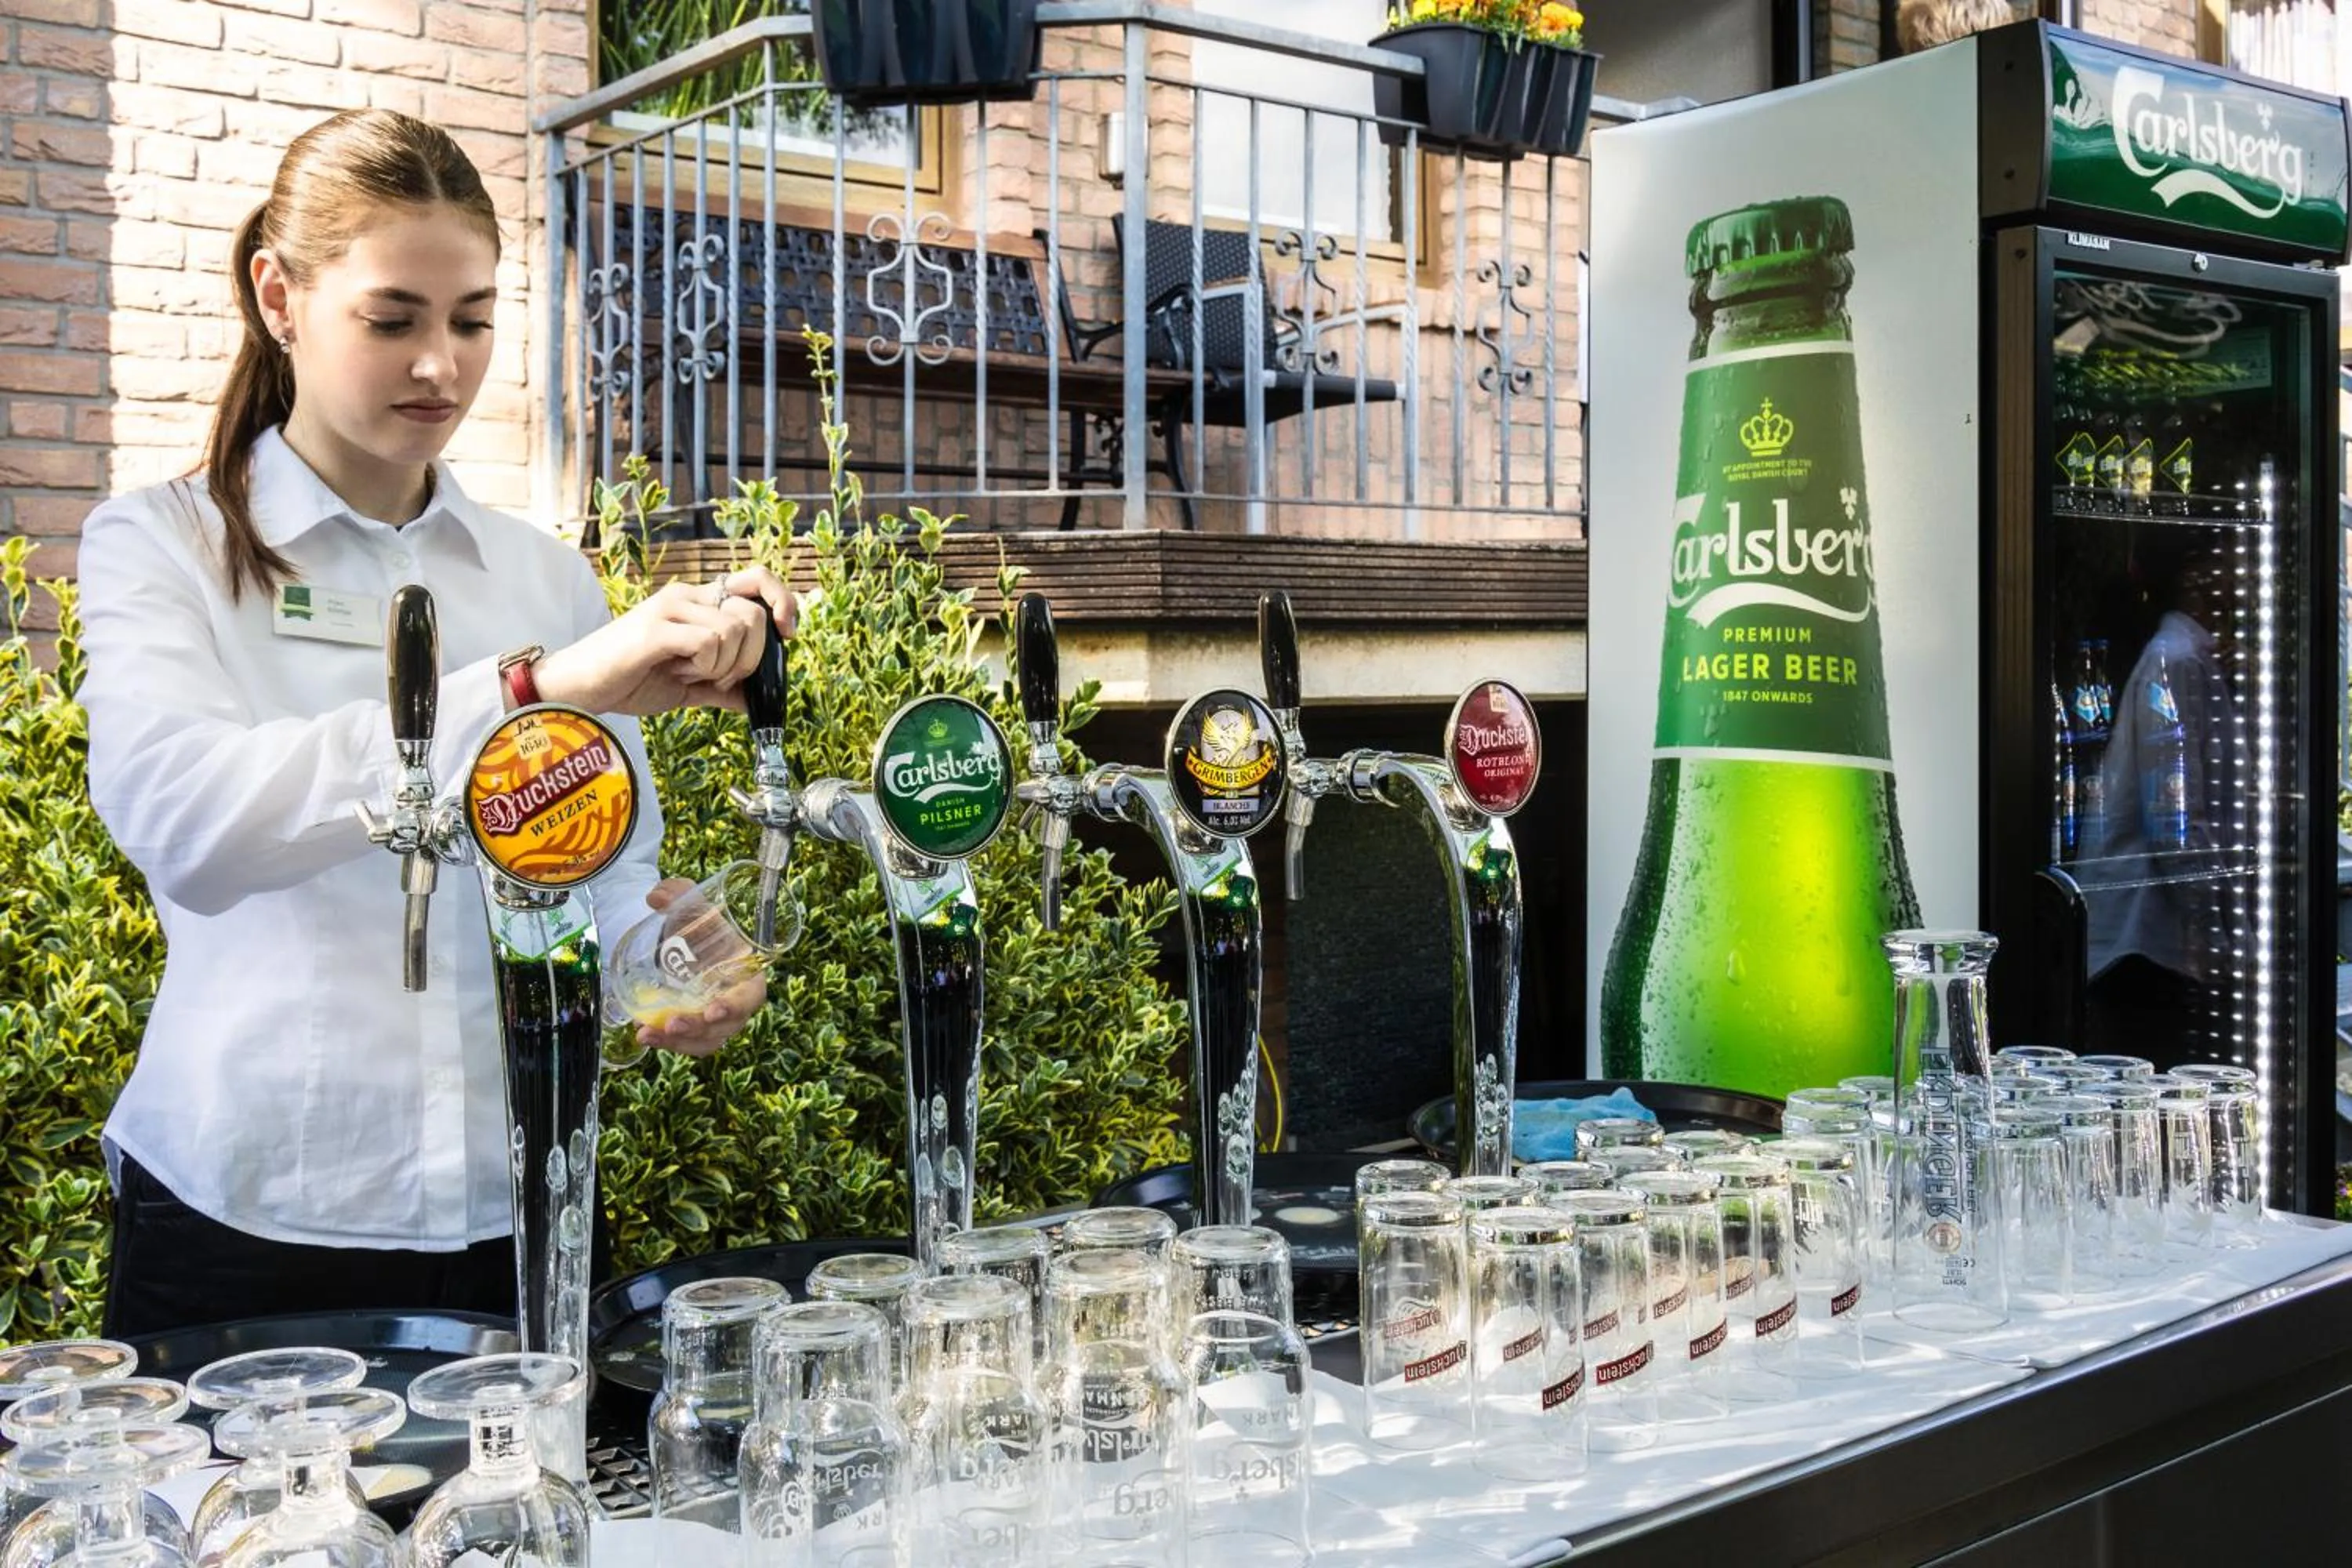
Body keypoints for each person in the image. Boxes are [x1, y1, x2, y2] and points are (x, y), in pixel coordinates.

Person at [75, 108, 792, 1338]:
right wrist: (531, 691)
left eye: (471, 322)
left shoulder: (540, 577)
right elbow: (188, 826)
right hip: (248, 1216)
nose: (439, 369)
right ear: (279, 298)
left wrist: (668, 973)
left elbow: (601, 876)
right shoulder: (164, 545)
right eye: (392, 318)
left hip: (521, 1201)